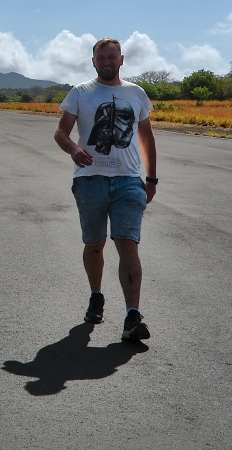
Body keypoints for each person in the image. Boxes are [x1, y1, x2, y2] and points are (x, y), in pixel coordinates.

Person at [53, 38, 158, 341]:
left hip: (128, 180)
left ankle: (132, 315)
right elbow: (61, 132)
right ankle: (96, 294)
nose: (108, 61)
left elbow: (147, 138)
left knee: (128, 244)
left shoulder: (136, 94)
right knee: (95, 243)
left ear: (121, 60)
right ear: (94, 61)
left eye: (113, 56)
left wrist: (151, 179)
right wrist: (73, 150)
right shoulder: (80, 93)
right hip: (90, 180)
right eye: (102, 57)